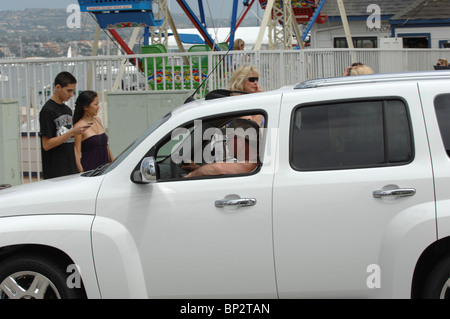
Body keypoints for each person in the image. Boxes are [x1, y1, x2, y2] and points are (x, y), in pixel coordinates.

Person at [39, 71, 90, 179]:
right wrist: (72, 132)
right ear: (58, 87)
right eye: (69, 91)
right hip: (55, 172)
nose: (71, 95)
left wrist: (78, 166)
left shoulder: (67, 110)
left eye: (73, 91)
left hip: (71, 169)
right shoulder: (47, 111)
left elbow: (73, 145)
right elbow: (46, 145)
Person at [184, 118, 260, 178]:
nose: (226, 143)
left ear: (241, 141)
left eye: (229, 139)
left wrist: (190, 176)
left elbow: (218, 168)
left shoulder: (253, 164)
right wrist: (197, 169)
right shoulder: (251, 163)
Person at [73, 90, 114, 172]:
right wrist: (81, 172)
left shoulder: (98, 120)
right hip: (90, 170)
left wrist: (113, 163)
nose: (98, 107)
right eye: (95, 104)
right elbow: (77, 152)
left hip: (104, 169)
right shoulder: (78, 126)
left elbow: (106, 146)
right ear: (86, 107)